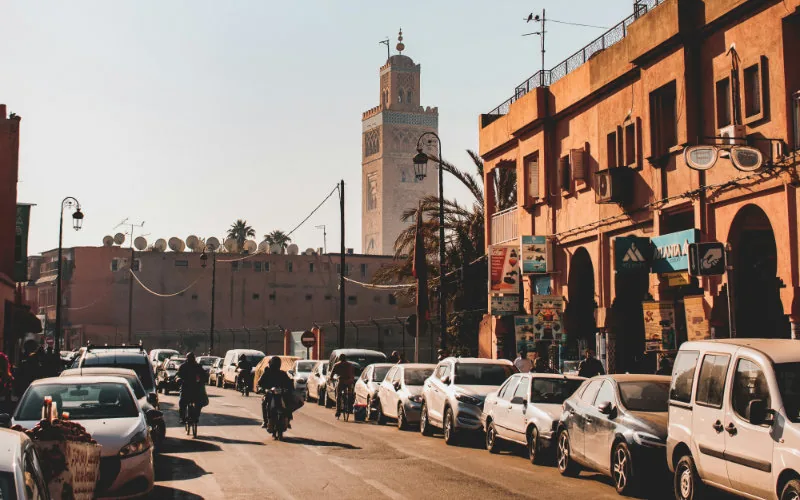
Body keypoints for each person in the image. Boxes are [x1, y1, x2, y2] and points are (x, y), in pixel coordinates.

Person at [258, 356, 294, 429]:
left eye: (276, 363)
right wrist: (263, 389)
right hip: (270, 393)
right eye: (274, 363)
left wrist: (288, 389)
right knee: (264, 402)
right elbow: (260, 383)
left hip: (281, 394)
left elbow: (289, 384)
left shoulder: (282, 373)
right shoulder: (267, 373)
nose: (275, 365)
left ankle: (288, 419)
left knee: (288, 401)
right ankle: (265, 421)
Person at [177, 353, 208, 424]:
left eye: (192, 358)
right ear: (187, 359)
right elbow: (178, 375)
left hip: (196, 389)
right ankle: (182, 417)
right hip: (185, 388)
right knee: (182, 402)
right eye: (189, 358)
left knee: (200, 402)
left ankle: (196, 416)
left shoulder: (198, 366)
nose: (190, 360)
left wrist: (203, 380)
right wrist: (178, 379)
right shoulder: (183, 366)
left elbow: (204, 375)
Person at [330, 353, 356, 418]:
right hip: (349, 381)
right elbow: (353, 373)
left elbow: (332, 374)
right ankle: (350, 408)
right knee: (350, 394)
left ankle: (338, 411)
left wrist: (332, 378)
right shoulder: (350, 365)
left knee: (338, 395)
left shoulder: (337, 365)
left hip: (341, 381)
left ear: (339, 359)